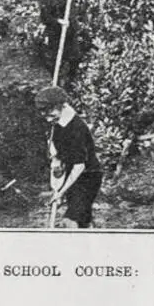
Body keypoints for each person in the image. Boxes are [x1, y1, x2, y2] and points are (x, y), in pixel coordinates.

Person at [36, 86, 102, 229]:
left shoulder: (76, 128)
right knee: (83, 219)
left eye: (51, 114)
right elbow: (57, 161)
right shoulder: (56, 125)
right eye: (45, 115)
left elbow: (80, 165)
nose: (48, 119)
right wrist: (56, 187)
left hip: (88, 176)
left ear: (61, 106)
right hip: (71, 175)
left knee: (70, 220)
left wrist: (61, 192)